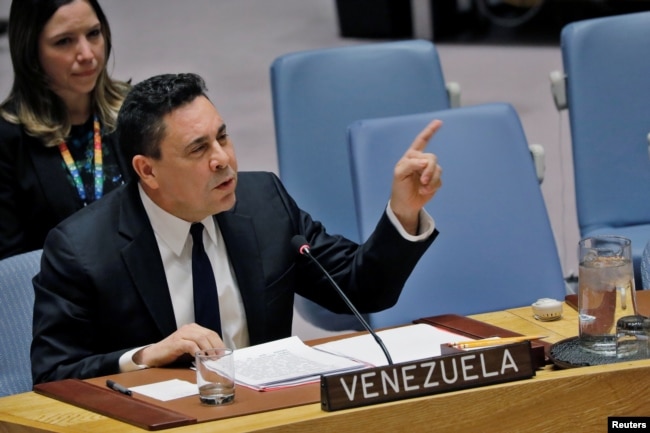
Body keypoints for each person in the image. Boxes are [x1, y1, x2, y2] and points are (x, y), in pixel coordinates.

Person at [31, 72, 443, 384]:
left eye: (223, 137)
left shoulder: (264, 202)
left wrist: (403, 213)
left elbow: (360, 288)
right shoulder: (82, 249)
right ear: (148, 170)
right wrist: (143, 357)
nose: (223, 159)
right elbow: (53, 373)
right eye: (198, 149)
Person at [0, 0, 131, 260]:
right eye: (64, 42)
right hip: (55, 294)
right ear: (31, 51)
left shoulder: (136, 110)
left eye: (93, 34)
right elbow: (10, 265)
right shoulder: (7, 139)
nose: (87, 54)